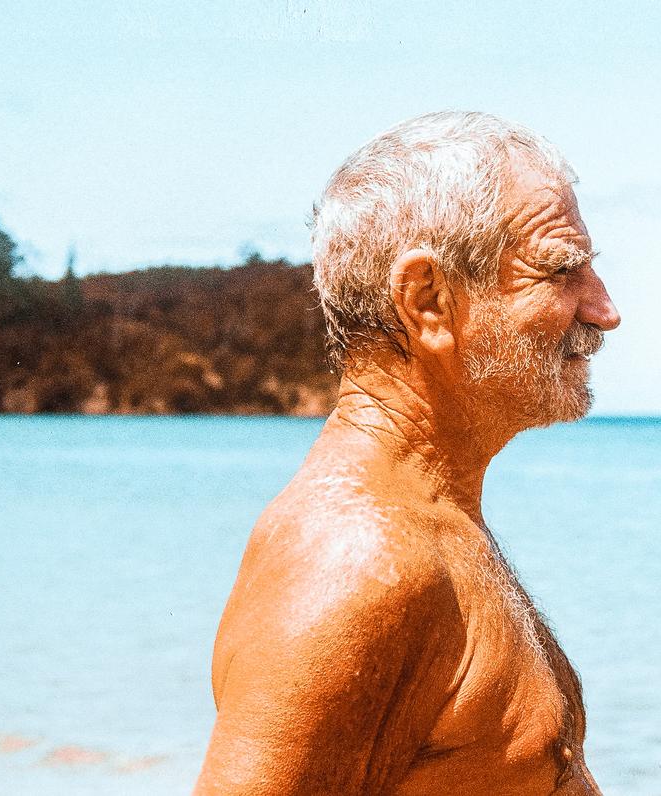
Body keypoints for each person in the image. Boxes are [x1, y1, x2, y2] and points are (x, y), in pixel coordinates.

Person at [195, 111, 621, 795]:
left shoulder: (431, 524)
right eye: (561, 270)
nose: (603, 310)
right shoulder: (359, 563)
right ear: (426, 300)